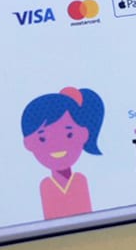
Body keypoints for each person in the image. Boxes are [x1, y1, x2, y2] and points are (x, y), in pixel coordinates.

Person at [21, 86, 105, 220]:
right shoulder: (46, 186)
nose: (56, 145)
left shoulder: (80, 181)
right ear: (28, 143)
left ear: (84, 134)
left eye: (69, 134)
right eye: (42, 138)